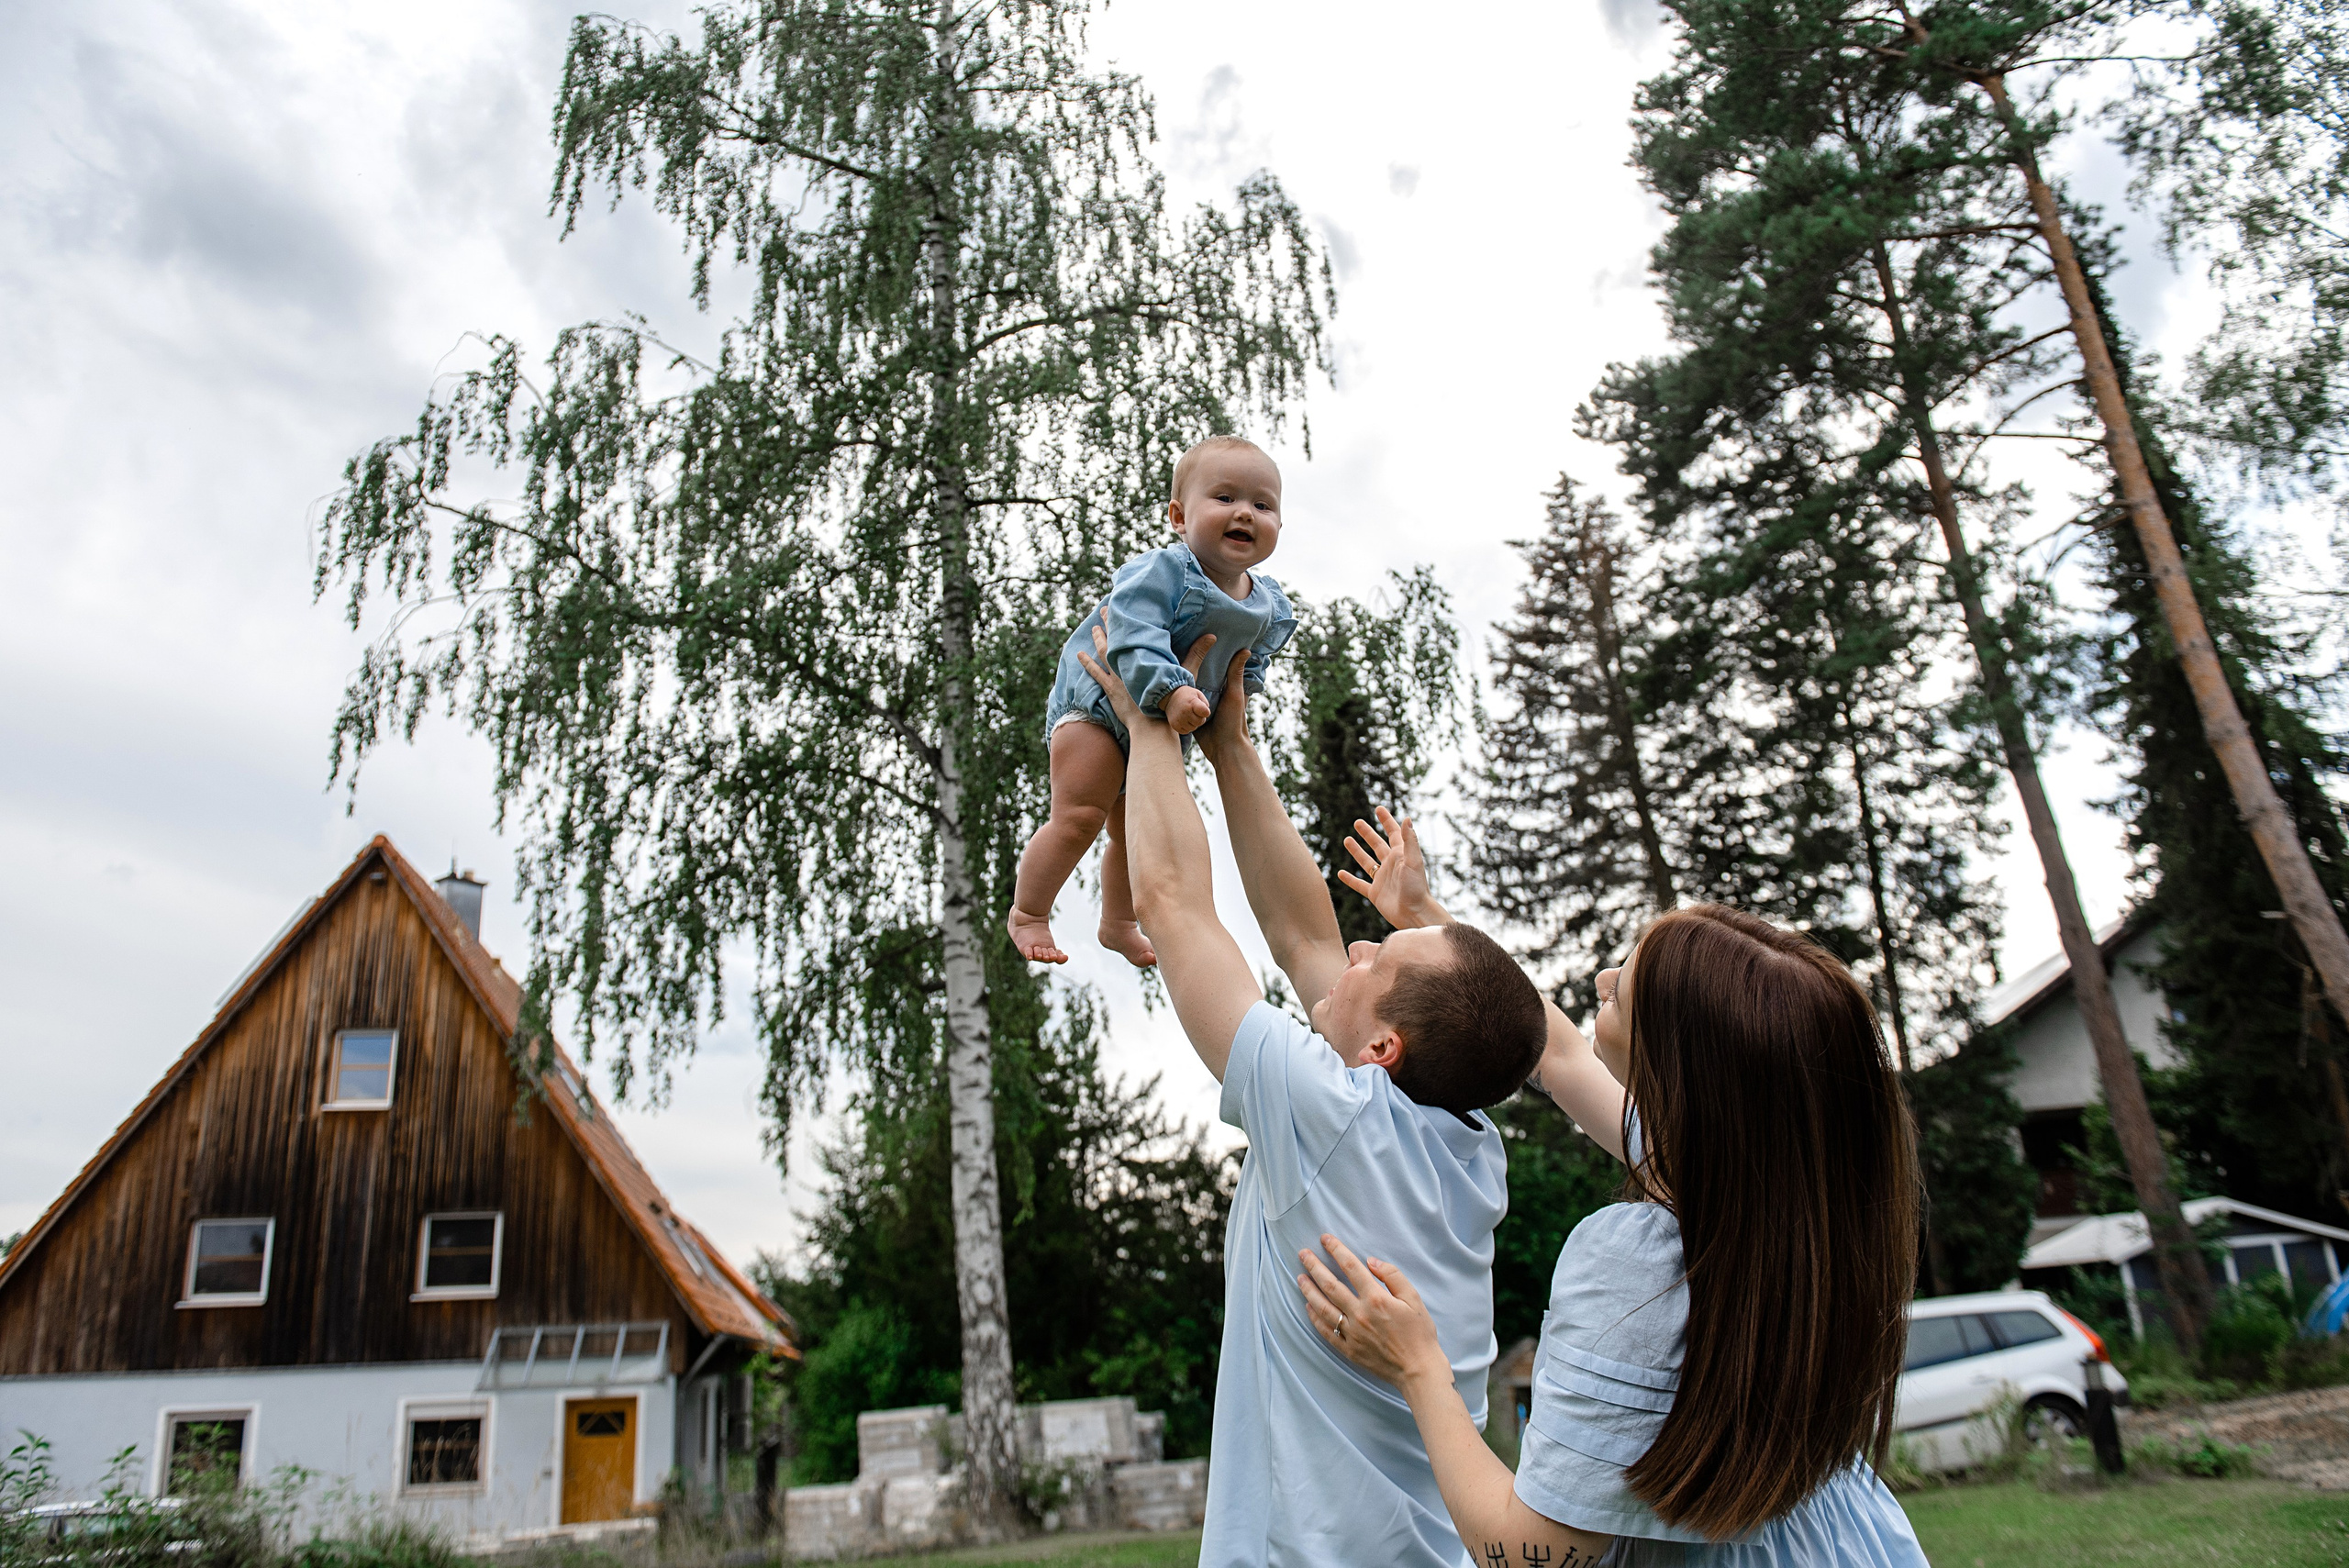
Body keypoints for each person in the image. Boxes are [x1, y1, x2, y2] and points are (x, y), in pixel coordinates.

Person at [1296, 842, 1931, 1567]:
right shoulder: (1776, 1205)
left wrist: (1417, 1365)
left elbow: (1531, 1553)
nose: (1601, 979)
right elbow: (1558, 1053)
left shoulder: (1643, 1260)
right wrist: (1426, 918)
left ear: (1680, 1063)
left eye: (1624, 986)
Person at [1073, 621, 1548, 1568]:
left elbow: (1172, 905)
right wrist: (1231, 744)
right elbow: (1303, 937)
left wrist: (1146, 710)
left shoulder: (1336, 1113)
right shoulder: (1462, 1137)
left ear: (1383, 1047)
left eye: (1383, 956)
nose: (1359, 945)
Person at [1008, 436, 1297, 968]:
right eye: (1225, 498)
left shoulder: (1268, 604)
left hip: (1163, 725)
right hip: (1096, 706)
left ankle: (1118, 923)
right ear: (1179, 518)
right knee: (1080, 816)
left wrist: (1230, 707)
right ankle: (1028, 912)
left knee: (1133, 833)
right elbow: (1132, 632)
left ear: (1280, 523)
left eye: (1262, 504)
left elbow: (1247, 664)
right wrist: (1172, 689)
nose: (1244, 513)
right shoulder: (1165, 570)